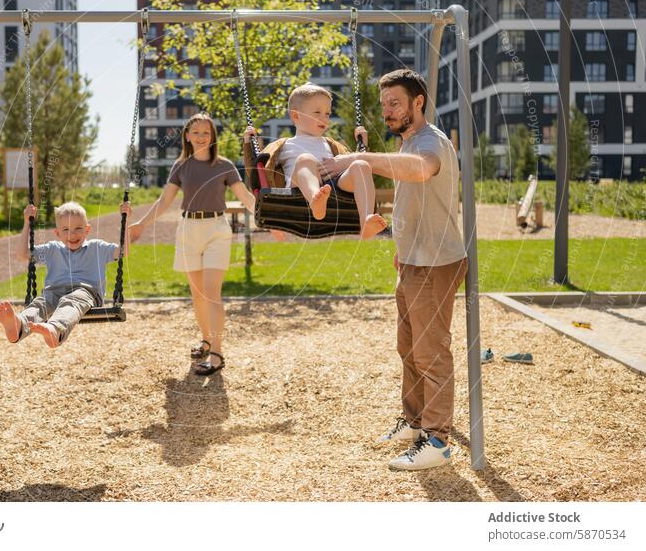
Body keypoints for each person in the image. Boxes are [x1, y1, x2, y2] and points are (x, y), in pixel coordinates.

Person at [322, 69, 467, 470]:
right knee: (409, 348)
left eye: (395, 103)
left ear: (418, 103)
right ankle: (416, 421)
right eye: (384, 103)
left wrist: (360, 158)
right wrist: (402, 251)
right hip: (413, 261)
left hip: (436, 264)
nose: (387, 111)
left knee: (431, 352)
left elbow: (422, 169)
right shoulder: (409, 141)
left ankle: (437, 440)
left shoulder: (430, 141)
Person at [128, 112, 257, 376]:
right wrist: (141, 223)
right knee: (197, 294)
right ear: (187, 135)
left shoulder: (224, 166)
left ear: (213, 137)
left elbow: (244, 196)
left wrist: (269, 220)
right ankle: (206, 339)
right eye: (196, 132)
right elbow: (165, 202)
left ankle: (218, 352)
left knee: (212, 293)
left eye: (206, 133)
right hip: (188, 230)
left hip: (216, 230)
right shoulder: (181, 166)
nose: (201, 137)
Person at [243, 83, 387, 239]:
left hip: (332, 187)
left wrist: (362, 148)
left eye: (327, 113)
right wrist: (248, 144)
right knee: (306, 159)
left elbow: (350, 168)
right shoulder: (283, 144)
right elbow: (257, 171)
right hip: (297, 189)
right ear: (295, 115)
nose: (324, 118)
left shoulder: (332, 145)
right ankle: (315, 200)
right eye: (317, 112)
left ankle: (366, 220)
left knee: (361, 165)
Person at [0, 200, 130, 348]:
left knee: (71, 301)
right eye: (65, 229)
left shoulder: (97, 247)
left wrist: (126, 218)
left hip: (86, 293)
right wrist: (27, 222)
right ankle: (19, 325)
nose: (71, 234)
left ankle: (55, 329)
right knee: (41, 304)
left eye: (78, 228)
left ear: (87, 229)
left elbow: (123, 251)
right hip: (54, 291)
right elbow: (22, 254)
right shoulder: (52, 249)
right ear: (57, 233)